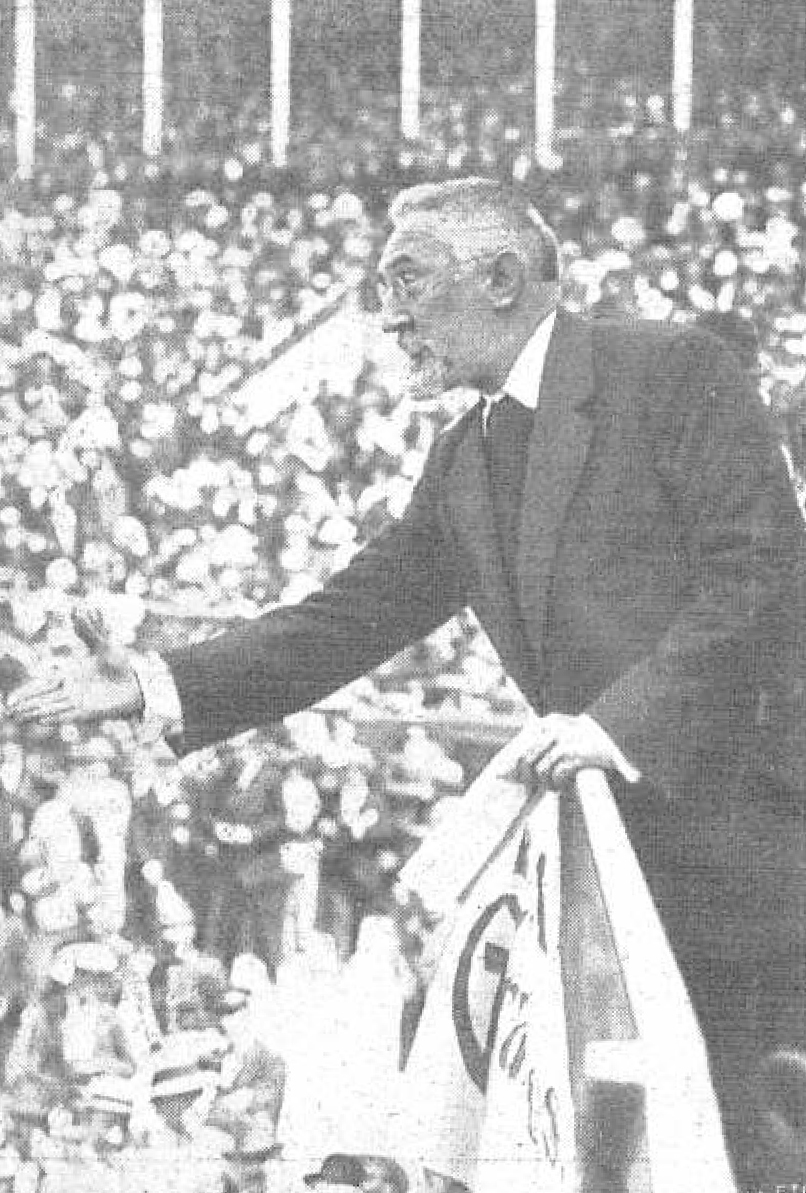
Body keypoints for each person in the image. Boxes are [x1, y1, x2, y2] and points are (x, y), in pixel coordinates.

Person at [5, 177, 806, 1184]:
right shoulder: (461, 460)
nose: (385, 317)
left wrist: (617, 728)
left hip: (752, 857)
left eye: (406, 280)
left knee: (755, 1131)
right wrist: (165, 679)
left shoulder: (672, 372)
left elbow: (760, 574)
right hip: (613, 876)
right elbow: (346, 619)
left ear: (504, 277)